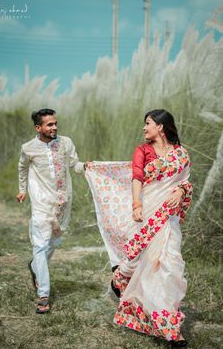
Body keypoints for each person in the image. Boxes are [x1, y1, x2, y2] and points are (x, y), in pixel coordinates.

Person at [85, 109, 192, 348]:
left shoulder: (181, 154)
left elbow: (185, 180)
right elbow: (136, 178)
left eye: (148, 124)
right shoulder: (142, 150)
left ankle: (170, 326)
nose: (144, 128)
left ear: (161, 127)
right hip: (148, 213)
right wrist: (136, 204)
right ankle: (121, 277)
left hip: (168, 218)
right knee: (136, 260)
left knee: (168, 264)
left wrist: (181, 190)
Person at [16, 108, 89, 314]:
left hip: (62, 202)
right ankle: (44, 294)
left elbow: (74, 165)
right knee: (40, 244)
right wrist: (23, 190)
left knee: (54, 242)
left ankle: (35, 267)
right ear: (38, 128)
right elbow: (22, 168)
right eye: (49, 124)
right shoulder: (28, 148)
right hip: (41, 202)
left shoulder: (66, 143)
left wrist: (89, 167)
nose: (54, 127)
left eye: (55, 123)